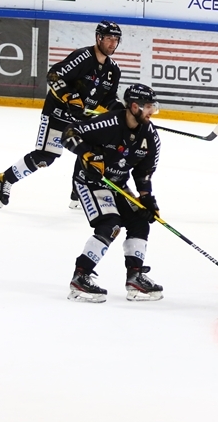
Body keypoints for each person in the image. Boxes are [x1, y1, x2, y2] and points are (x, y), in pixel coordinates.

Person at [0, 21, 124, 210]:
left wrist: (123, 113)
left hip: (81, 119)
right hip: (57, 113)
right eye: (109, 38)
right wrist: (71, 96)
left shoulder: (113, 70)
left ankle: (78, 193)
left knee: (92, 151)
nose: (112, 43)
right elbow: (54, 75)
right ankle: (4, 179)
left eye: (116, 39)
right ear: (98, 38)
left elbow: (109, 98)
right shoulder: (83, 57)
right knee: (46, 156)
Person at [62, 83, 163, 303]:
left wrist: (147, 199)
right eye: (148, 107)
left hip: (117, 182)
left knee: (139, 220)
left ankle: (135, 277)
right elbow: (69, 132)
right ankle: (81, 277)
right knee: (111, 223)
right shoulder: (108, 122)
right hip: (89, 181)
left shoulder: (150, 136)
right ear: (134, 106)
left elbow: (144, 172)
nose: (152, 112)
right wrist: (87, 154)